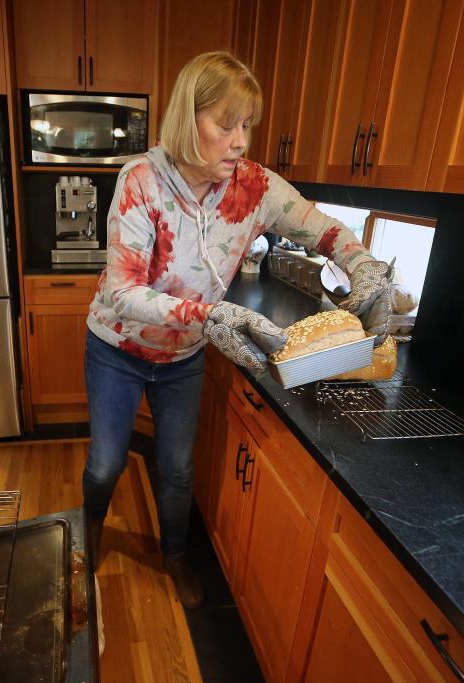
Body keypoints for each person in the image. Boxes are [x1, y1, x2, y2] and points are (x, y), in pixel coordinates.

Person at [81, 51, 392, 609]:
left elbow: (319, 228)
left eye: (246, 124)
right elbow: (121, 291)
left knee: (177, 467)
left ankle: (174, 556)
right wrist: (211, 315)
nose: (241, 140)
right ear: (187, 118)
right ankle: (88, 538)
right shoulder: (141, 182)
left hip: (185, 356)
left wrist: (362, 262)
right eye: (226, 124)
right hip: (118, 348)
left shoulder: (257, 188)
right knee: (105, 463)